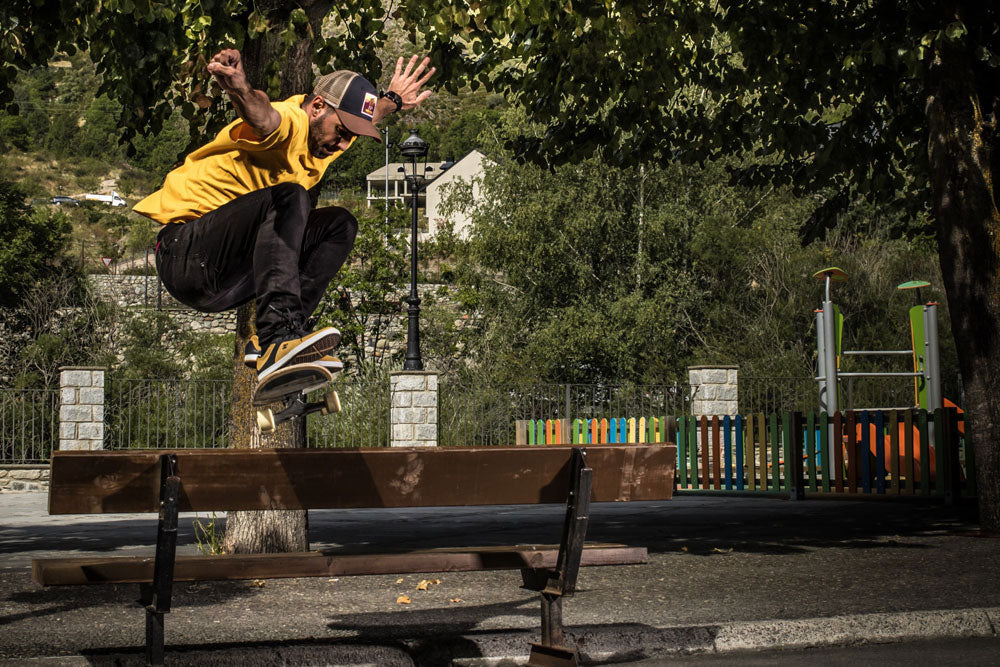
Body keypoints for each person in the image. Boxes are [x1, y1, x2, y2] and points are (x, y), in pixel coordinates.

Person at [134, 48, 434, 382]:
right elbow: (262, 116)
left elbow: (368, 114)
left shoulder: (324, 137)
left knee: (340, 225)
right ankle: (278, 337)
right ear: (317, 106)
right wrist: (240, 89)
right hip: (185, 256)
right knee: (291, 197)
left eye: (351, 137)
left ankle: (278, 343)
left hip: (230, 275)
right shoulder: (290, 122)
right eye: (341, 132)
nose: (342, 145)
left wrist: (392, 98)